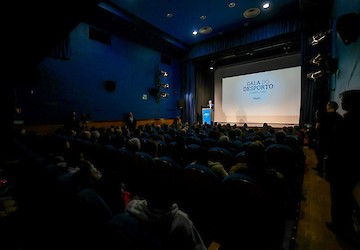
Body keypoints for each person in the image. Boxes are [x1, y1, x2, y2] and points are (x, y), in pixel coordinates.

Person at [326, 90, 360, 247]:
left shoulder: (348, 122)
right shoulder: (346, 119)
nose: (341, 102)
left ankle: (341, 228)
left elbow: (339, 146)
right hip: (350, 169)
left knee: (340, 199)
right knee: (344, 199)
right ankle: (343, 226)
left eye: (344, 99)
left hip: (342, 168)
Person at [313, 101, 343, 177]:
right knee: (331, 157)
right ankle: (328, 173)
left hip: (322, 139)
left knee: (320, 155)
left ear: (329, 106)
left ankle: (320, 171)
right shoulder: (340, 117)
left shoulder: (323, 115)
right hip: (334, 141)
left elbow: (317, 127)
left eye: (327, 105)